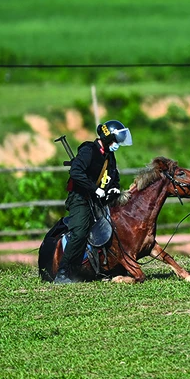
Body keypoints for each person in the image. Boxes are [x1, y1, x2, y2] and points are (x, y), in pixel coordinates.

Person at [53, 119, 132, 284]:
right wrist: (94, 189)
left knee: (115, 227)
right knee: (80, 232)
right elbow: (76, 172)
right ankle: (63, 272)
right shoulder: (89, 150)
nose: (118, 144)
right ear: (108, 138)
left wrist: (113, 188)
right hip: (80, 199)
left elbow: (113, 176)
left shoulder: (109, 155)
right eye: (116, 140)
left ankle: (108, 267)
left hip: (99, 199)